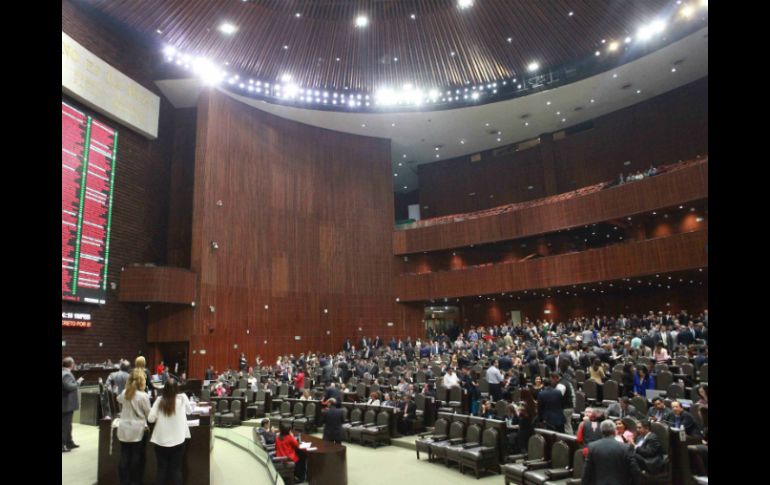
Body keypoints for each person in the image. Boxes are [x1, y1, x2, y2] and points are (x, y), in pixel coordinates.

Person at [148, 378, 192, 485]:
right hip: (178, 441)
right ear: (177, 388)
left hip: (161, 441)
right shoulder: (183, 398)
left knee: (161, 470)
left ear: (164, 389)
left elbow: (150, 419)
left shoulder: (159, 400)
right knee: (176, 470)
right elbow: (190, 412)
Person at [117, 369, 151, 485]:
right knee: (136, 457)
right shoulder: (143, 396)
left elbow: (118, 399)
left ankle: (124, 481)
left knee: (124, 455)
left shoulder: (124, 393)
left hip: (123, 429)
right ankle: (135, 481)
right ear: (142, 381)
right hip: (137, 430)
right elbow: (149, 414)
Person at [582, 420, 640, 485]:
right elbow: (635, 470)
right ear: (615, 431)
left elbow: (587, 471)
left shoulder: (592, 447)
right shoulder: (626, 448)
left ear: (601, 431)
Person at [62, 356, 85, 452]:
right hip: (66, 404)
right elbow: (70, 387)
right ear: (71, 364)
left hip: (67, 404)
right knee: (65, 426)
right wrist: (78, 382)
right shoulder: (66, 374)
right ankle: (63, 445)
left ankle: (69, 443)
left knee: (68, 425)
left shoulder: (65, 372)